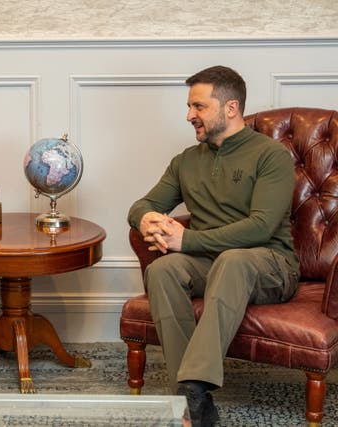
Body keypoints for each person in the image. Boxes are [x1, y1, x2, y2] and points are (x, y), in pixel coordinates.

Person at [127, 65, 299, 427]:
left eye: (199, 106)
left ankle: (194, 380)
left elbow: (260, 227)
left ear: (231, 108)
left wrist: (185, 239)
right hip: (210, 264)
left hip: (270, 266)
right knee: (163, 269)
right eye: (190, 107)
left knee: (233, 261)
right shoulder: (186, 161)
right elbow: (141, 205)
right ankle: (193, 399)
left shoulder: (271, 156)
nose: (189, 115)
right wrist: (145, 219)